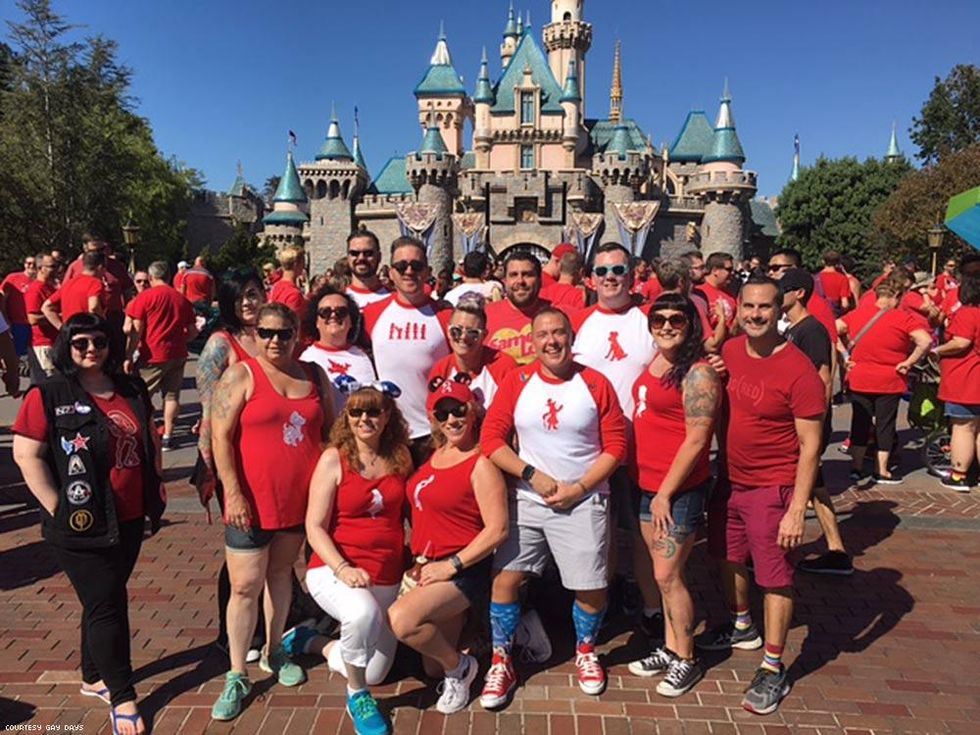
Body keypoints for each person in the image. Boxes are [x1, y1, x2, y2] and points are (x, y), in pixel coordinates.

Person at [12, 313, 166, 735]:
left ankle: (92, 676)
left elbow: (148, 439)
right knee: (108, 605)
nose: (91, 349)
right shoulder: (49, 393)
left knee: (104, 598)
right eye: (80, 343)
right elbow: (26, 454)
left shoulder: (131, 387)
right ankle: (123, 694)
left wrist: (158, 486)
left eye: (99, 341)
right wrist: (57, 505)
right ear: (67, 345)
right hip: (80, 522)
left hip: (130, 516)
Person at [480, 307, 626, 706]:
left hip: (583, 499)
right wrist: (531, 475)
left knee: (591, 585)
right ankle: (502, 657)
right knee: (506, 578)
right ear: (533, 341)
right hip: (529, 499)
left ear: (571, 336)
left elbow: (616, 446)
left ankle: (585, 649)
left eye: (559, 332)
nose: (551, 341)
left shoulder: (594, 383)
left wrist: (580, 487)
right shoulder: (518, 381)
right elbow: (491, 439)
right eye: (543, 334)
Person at [700, 276, 825, 716]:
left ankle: (773, 666)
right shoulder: (731, 351)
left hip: (773, 487)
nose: (756, 315)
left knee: (774, 577)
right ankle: (741, 625)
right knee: (727, 556)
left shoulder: (799, 370)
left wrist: (797, 509)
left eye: (765, 308)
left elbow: (811, 445)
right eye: (749, 306)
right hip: (730, 480)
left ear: (781, 310)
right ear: (739, 306)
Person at [209, 303, 333, 721]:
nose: (275, 340)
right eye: (266, 332)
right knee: (244, 586)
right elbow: (220, 437)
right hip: (251, 502)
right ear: (256, 333)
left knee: (280, 576)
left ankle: (275, 650)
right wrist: (233, 492)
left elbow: (331, 432)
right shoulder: (241, 375)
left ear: (298, 334)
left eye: (283, 333)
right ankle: (237, 671)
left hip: (297, 501)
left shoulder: (313, 375)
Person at [296, 383, 412, 735]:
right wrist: (343, 569)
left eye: (374, 411)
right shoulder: (334, 458)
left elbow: (410, 515)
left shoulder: (400, 457)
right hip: (336, 568)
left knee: (376, 671)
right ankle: (357, 695)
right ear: (346, 416)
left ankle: (311, 642)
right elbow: (313, 526)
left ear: (387, 416)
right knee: (361, 614)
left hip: (386, 572)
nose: (365, 418)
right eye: (356, 411)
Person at [389, 379, 508, 715]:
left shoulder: (481, 463)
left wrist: (451, 565)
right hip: (425, 565)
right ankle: (494, 637)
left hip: (462, 570)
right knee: (430, 668)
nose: (452, 419)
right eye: (443, 413)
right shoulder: (432, 454)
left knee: (402, 621)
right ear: (434, 419)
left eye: (459, 410)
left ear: (473, 412)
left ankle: (462, 670)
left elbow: (497, 529)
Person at [627, 294, 720, 697]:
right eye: (659, 319)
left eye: (676, 319)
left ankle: (687, 657)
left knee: (668, 575)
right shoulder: (656, 362)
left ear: (690, 323)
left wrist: (666, 492)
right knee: (661, 574)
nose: (666, 326)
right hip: (645, 482)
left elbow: (698, 439)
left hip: (676, 489)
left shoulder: (698, 372)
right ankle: (670, 646)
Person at [571, 242, 660, 636]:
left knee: (643, 534)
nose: (610, 278)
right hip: (594, 449)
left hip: (643, 446)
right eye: (603, 271)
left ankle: (652, 606)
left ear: (632, 274)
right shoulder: (577, 322)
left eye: (618, 270)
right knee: (598, 535)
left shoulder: (649, 321)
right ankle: (600, 605)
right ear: (591, 278)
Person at [195, 268, 266, 658]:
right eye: (240, 298)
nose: (248, 303)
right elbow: (208, 408)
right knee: (243, 544)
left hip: (268, 458)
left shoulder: (272, 334)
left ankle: (273, 622)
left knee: (269, 543)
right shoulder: (221, 344)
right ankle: (234, 632)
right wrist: (214, 468)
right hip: (231, 459)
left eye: (254, 294)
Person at [778, 269, 853, 575]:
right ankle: (836, 550)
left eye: (782, 289)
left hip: (807, 424)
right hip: (798, 422)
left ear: (798, 293)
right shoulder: (793, 329)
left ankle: (833, 550)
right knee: (814, 487)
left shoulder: (811, 331)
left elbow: (821, 378)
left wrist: (814, 425)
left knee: (807, 484)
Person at [362, 236, 451, 467]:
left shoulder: (445, 316)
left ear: (428, 271)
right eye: (401, 266)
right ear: (391, 272)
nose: (409, 271)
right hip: (385, 433)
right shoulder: (372, 314)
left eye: (416, 265)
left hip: (432, 435)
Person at [838, 282, 932, 484]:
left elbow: (833, 329)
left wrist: (845, 355)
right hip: (889, 378)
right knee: (885, 424)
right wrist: (908, 362)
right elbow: (925, 341)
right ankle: (882, 470)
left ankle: (856, 467)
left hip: (860, 376)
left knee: (859, 423)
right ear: (895, 296)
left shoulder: (857, 314)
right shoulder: (902, 317)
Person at [125, 262, 198, 451]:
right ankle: (168, 435)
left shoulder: (145, 298)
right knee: (172, 396)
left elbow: (137, 330)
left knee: (142, 396)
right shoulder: (181, 299)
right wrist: (181, 339)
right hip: (177, 353)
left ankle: (143, 432)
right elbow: (192, 331)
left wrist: (128, 355)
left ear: (151, 277)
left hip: (152, 354)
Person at [935, 260, 980, 491]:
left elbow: (961, 342)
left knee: (963, 427)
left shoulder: (968, 313)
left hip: (967, 379)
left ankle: (959, 474)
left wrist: (937, 350)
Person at [428, 293, 517, 409]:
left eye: (472, 333)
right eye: (456, 331)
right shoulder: (441, 369)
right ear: (447, 330)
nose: (463, 337)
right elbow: (433, 416)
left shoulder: (504, 367)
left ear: (484, 335)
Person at [300, 285, 376, 414]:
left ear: (351, 321)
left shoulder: (363, 356)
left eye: (341, 312)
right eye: (325, 312)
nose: (333, 316)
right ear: (316, 322)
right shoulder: (307, 359)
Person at [484, 250, 551, 366]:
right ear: (504, 281)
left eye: (527, 274)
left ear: (540, 280)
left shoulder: (557, 315)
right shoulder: (484, 316)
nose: (520, 281)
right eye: (513, 275)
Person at [63, 235, 135, 337]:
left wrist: (129, 316)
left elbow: (128, 292)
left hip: (114, 319)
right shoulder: (75, 267)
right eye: (95, 250)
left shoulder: (117, 266)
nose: (100, 253)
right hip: (85, 321)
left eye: (102, 249)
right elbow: (65, 292)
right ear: (85, 249)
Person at [656, 258, 725, 352]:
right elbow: (711, 345)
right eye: (689, 279)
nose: (691, 284)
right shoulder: (692, 305)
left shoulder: (650, 308)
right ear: (681, 282)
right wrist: (721, 318)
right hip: (686, 361)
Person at [42, 250, 107, 329]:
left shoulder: (68, 283)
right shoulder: (95, 283)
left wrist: (61, 328)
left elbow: (46, 307)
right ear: (100, 267)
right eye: (105, 268)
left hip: (71, 333)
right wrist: (103, 324)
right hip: (88, 331)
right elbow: (93, 307)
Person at [24, 253, 60, 383]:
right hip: (43, 344)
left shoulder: (51, 288)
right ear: (41, 268)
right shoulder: (35, 289)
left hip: (55, 341)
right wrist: (57, 317)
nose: (56, 269)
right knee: (51, 382)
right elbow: (32, 319)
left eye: (57, 266)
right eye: (52, 266)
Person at [1, 254, 37, 358]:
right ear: (24, 264)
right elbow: (2, 299)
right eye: (28, 263)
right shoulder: (13, 278)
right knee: (15, 355)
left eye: (34, 264)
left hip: (35, 324)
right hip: (17, 323)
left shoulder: (40, 281)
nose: (31, 266)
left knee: (33, 356)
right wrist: (5, 320)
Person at [345, 230, 391, 308]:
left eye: (368, 253)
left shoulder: (394, 299)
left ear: (379, 257)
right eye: (354, 253)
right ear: (348, 258)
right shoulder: (339, 301)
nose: (361, 258)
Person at [694, 252, 737, 330]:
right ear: (715, 270)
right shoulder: (698, 293)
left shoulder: (731, 295)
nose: (732, 273)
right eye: (729, 269)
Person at [268, 244, 307, 321]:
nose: (304, 266)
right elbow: (293, 324)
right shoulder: (294, 293)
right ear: (296, 264)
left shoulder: (275, 286)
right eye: (303, 262)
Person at [816, 251, 851, 315]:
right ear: (838, 263)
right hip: (833, 315)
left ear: (823, 261)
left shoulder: (815, 278)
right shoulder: (842, 278)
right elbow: (845, 304)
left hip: (817, 314)